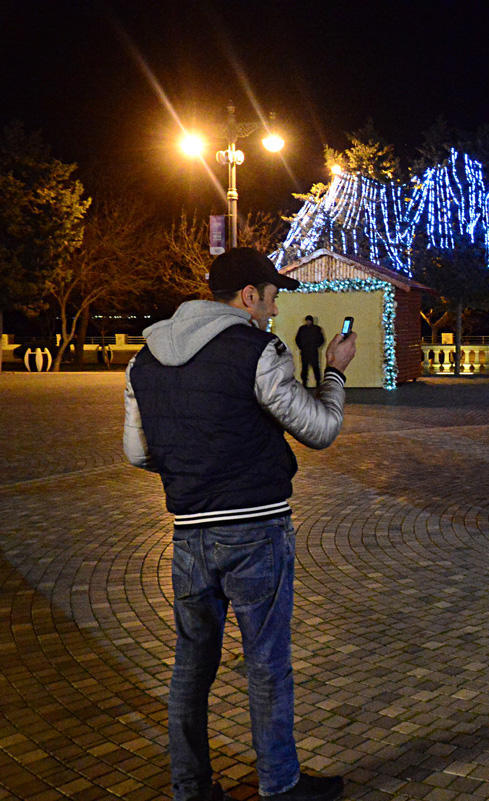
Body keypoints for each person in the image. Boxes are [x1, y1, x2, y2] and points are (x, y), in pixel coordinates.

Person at [123, 248, 356, 801]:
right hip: (255, 530)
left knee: (190, 668)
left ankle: (192, 788)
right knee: (267, 665)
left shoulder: (144, 359)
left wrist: (191, 464)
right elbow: (319, 428)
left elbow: (137, 452)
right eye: (271, 298)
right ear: (249, 296)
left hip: (188, 532)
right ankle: (280, 785)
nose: (273, 311)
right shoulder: (256, 349)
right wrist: (335, 372)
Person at [294, 315, 325, 388]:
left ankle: (318, 383)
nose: (308, 322)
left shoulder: (316, 329)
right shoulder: (303, 329)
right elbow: (297, 339)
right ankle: (305, 383)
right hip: (307, 351)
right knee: (305, 368)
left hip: (312, 351)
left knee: (315, 368)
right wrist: (301, 347)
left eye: (309, 320)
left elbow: (321, 340)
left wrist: (315, 346)